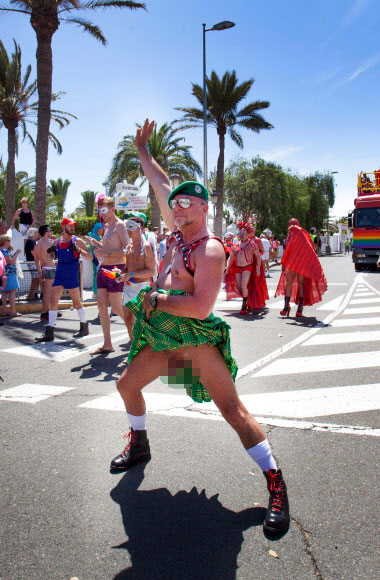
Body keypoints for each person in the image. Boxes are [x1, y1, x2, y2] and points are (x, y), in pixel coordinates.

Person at [109, 119, 290, 535]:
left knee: (233, 411)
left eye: (188, 203)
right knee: (126, 386)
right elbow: (160, 183)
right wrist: (143, 153)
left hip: (194, 345)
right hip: (162, 341)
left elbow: (201, 306)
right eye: (175, 204)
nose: (178, 207)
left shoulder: (208, 249)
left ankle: (276, 483)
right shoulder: (177, 235)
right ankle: (140, 443)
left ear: (205, 208)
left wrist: (155, 300)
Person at [35, 218, 92, 342]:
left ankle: (84, 326)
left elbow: (89, 257)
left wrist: (78, 249)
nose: (73, 228)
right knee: (53, 301)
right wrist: (50, 252)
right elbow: (48, 257)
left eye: (73, 226)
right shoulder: (57, 242)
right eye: (70, 225)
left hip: (71, 275)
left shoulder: (77, 241)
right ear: (63, 226)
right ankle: (50, 331)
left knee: (76, 302)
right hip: (60, 274)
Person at [89, 197, 130, 354]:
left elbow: (127, 248)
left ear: (113, 209)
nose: (102, 214)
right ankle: (107, 344)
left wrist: (105, 252)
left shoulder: (120, 225)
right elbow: (107, 248)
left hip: (115, 269)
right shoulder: (107, 227)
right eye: (100, 211)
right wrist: (97, 245)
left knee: (116, 307)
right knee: (101, 305)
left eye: (104, 210)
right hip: (103, 269)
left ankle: (136, 334)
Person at [275, 218, 327, 317]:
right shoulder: (295, 235)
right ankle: (289, 306)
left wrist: (284, 264)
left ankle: (296, 307)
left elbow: (307, 250)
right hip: (294, 262)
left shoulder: (300, 235)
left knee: (295, 283)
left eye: (291, 224)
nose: (290, 227)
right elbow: (288, 250)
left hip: (298, 263)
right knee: (294, 283)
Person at [116, 214, 156, 340]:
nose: (128, 230)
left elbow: (151, 271)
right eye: (126, 227)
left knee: (143, 321)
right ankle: (134, 349)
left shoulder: (146, 247)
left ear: (140, 228)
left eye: (131, 227)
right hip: (128, 287)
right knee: (128, 319)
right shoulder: (129, 247)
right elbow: (128, 269)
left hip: (142, 288)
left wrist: (131, 274)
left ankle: (145, 351)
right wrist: (121, 272)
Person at [224, 223, 263, 314]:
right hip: (238, 267)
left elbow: (258, 256)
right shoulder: (236, 245)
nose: (242, 235)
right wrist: (227, 267)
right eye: (240, 234)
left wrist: (257, 268)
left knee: (243, 284)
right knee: (239, 287)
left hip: (247, 267)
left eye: (244, 234)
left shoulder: (252, 244)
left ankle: (244, 304)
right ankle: (247, 299)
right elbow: (231, 257)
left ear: (247, 234)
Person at [33, 225, 60, 320]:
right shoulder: (50, 242)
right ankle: (45, 313)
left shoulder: (37, 245)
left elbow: (37, 261)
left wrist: (40, 273)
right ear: (46, 232)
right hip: (51, 269)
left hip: (44, 269)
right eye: (49, 230)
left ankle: (51, 311)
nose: (51, 232)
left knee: (47, 292)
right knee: (49, 293)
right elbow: (54, 255)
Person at [0, 235, 22, 317]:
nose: (10, 242)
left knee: (4, 293)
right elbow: (11, 262)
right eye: (9, 240)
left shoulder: (2, 251)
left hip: (3, 274)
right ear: (5, 241)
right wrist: (17, 253)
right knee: (12, 293)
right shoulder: (5, 251)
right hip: (9, 274)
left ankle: (4, 311)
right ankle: (13, 311)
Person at [24, 227, 41, 301]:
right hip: (33, 262)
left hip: (34, 262)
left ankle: (33, 294)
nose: (37, 234)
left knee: (36, 279)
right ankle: (30, 295)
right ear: (33, 233)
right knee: (35, 279)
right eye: (36, 233)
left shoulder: (32, 241)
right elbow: (33, 252)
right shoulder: (30, 241)